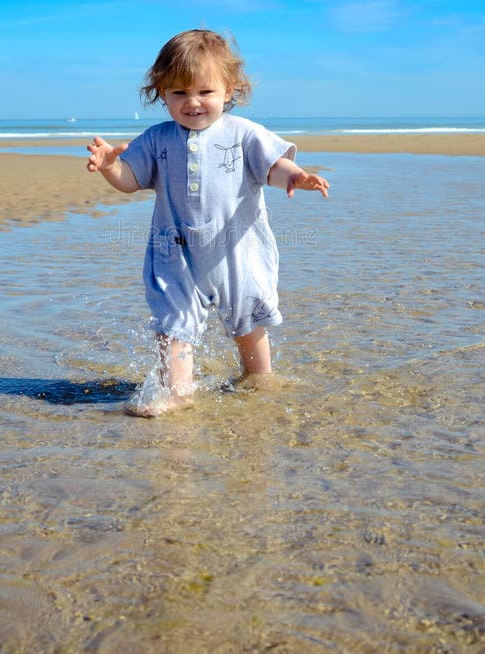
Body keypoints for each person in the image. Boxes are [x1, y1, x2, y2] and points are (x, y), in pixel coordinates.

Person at [87, 29, 329, 416]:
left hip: (237, 252)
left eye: (205, 92)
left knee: (248, 326)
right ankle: (178, 394)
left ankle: (260, 380)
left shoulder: (244, 134)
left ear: (229, 90)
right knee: (174, 328)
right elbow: (131, 181)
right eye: (179, 93)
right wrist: (110, 166)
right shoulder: (157, 139)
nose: (193, 102)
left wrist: (296, 177)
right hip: (176, 253)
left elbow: (273, 167)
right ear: (161, 92)